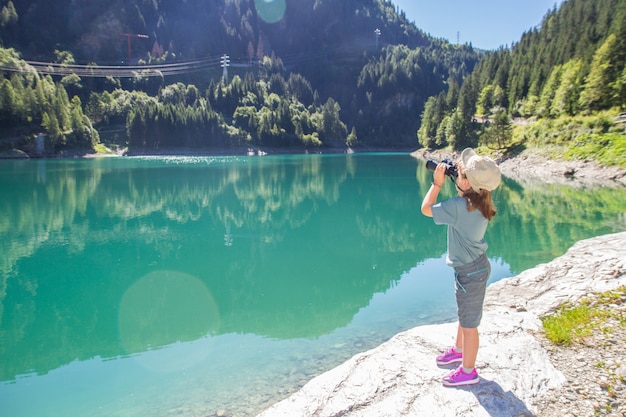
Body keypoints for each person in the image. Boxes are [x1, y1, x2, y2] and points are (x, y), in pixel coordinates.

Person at [420, 148, 501, 387]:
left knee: (469, 325)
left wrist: (436, 183)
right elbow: (467, 192)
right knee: (464, 314)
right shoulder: (480, 202)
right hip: (472, 268)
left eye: (460, 173)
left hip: (470, 272)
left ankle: (468, 372)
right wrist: (460, 177)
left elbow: (426, 209)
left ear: (467, 183)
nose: (457, 174)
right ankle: (458, 350)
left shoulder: (458, 207)